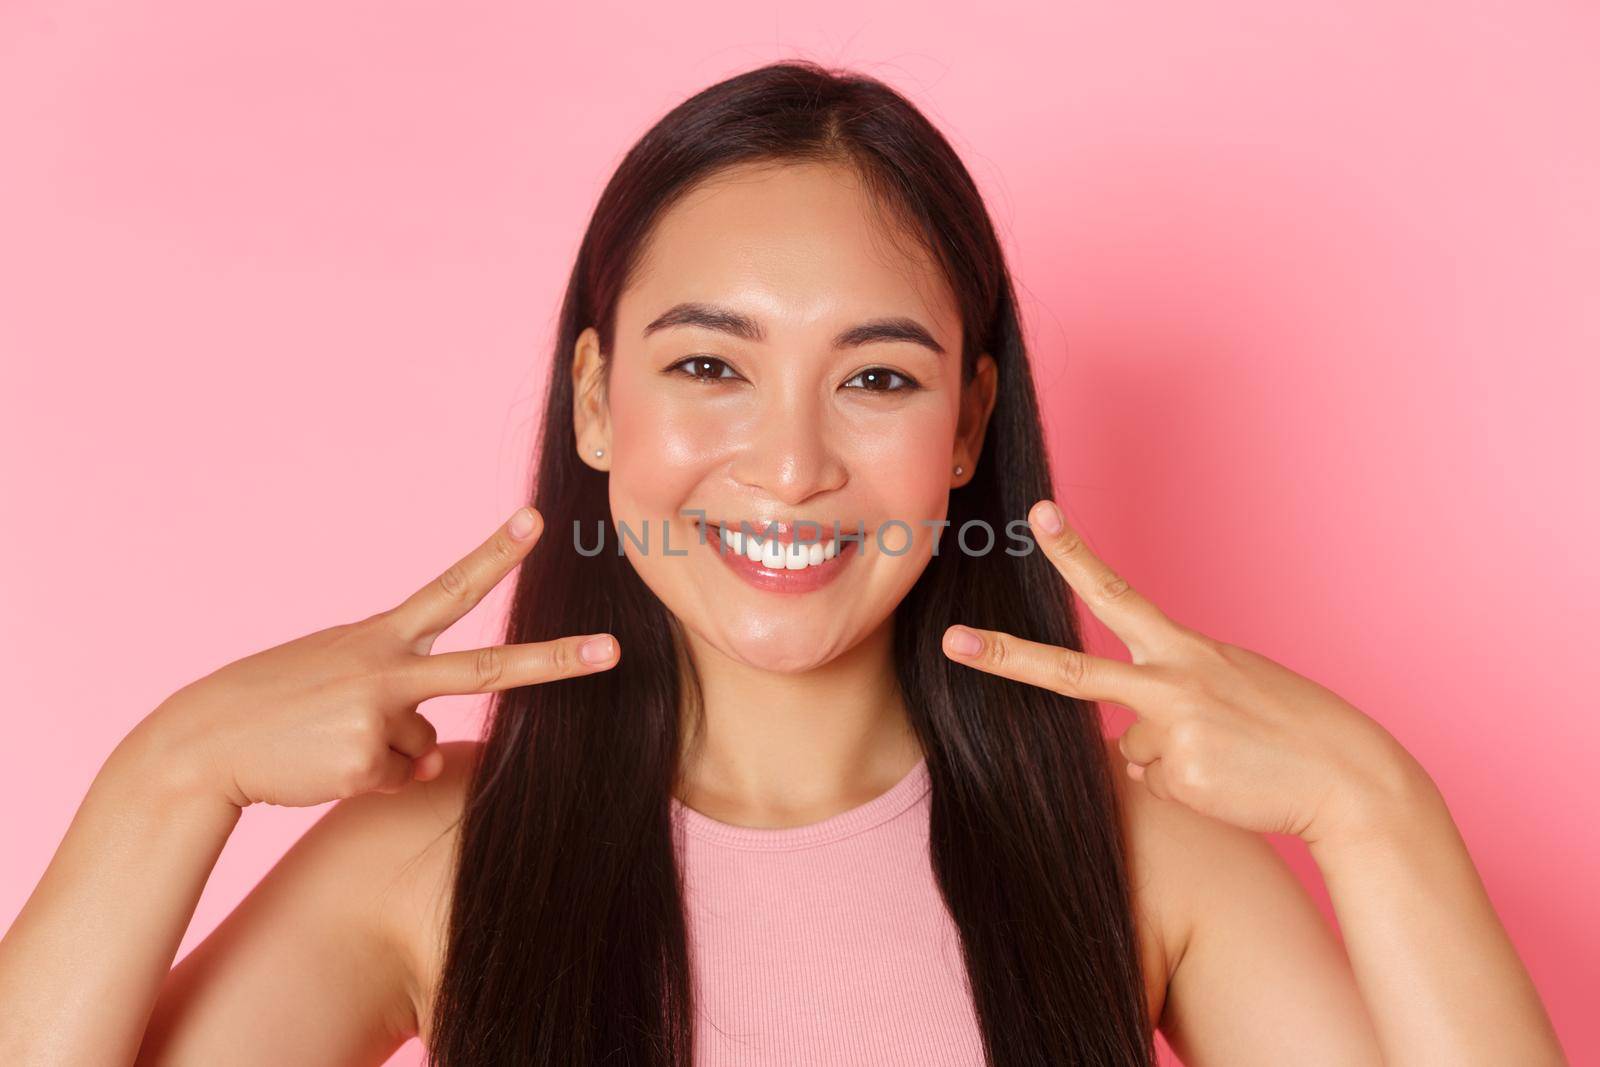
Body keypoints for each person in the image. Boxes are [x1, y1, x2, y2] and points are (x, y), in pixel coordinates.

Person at [0, 60, 1566, 1067]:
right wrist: (171, 772)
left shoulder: (1144, 856)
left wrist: (1376, 807)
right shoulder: (431, 860)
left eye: (878, 379)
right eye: (709, 369)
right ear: (600, 401)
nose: (795, 464)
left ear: (968, 427)